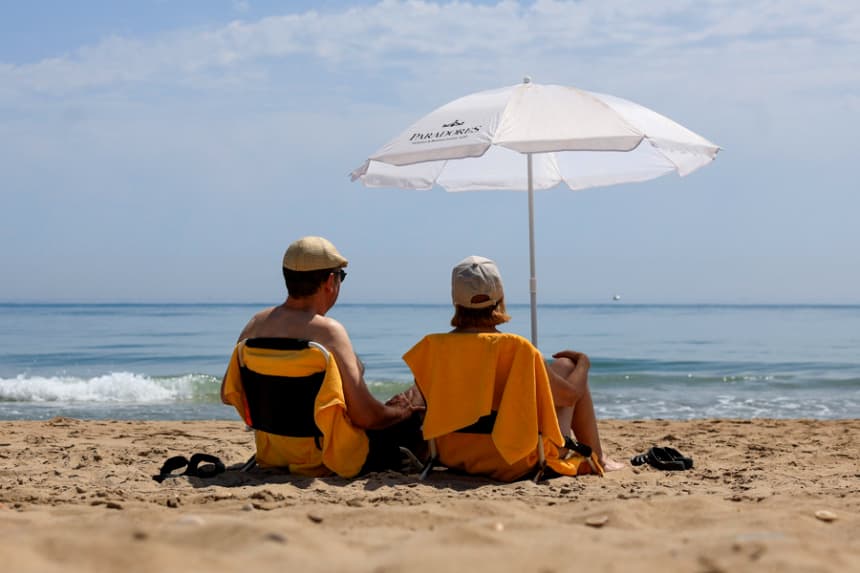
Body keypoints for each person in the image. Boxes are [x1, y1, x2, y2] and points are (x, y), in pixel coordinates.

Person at [220, 236, 424, 475]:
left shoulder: (256, 324)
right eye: (341, 277)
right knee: (418, 396)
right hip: (330, 456)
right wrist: (404, 410)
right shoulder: (328, 332)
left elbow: (229, 393)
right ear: (329, 281)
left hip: (275, 453)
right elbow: (366, 417)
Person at [407, 255, 622, 476]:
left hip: (452, 455)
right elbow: (569, 397)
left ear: (455, 298)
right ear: (499, 295)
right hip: (515, 458)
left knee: (562, 367)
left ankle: (599, 456)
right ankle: (599, 457)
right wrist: (583, 365)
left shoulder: (431, 347)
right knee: (569, 366)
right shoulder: (518, 348)